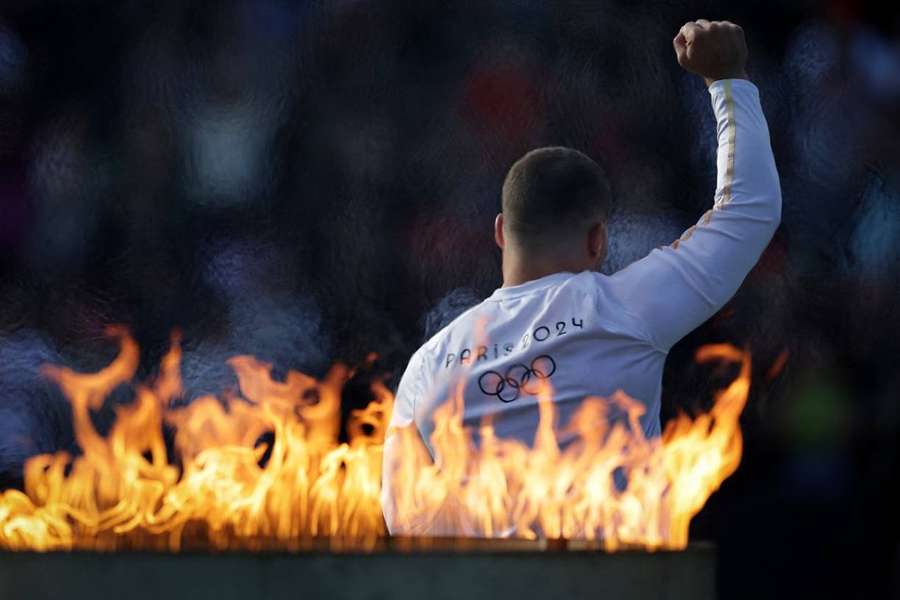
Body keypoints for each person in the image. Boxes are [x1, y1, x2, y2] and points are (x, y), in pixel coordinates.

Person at [382, 19, 781, 533]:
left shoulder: (429, 363)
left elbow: (405, 524)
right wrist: (728, 81)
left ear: (501, 232)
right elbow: (749, 208)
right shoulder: (625, 308)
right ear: (598, 240)